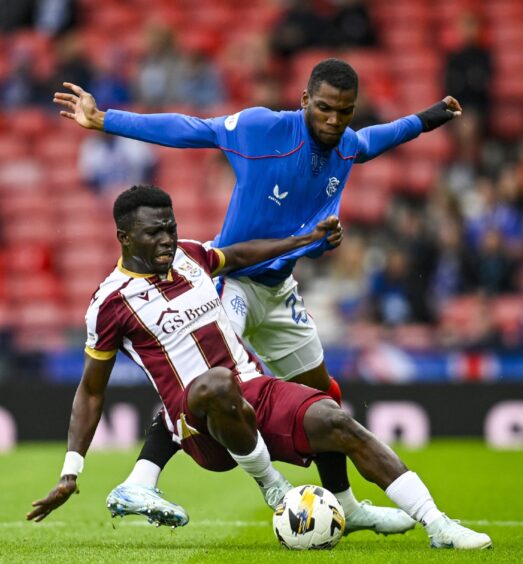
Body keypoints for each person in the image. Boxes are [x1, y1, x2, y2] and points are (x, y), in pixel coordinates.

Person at [52, 58, 463, 535]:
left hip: (281, 286)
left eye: (344, 113)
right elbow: (190, 129)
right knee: (208, 378)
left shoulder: (347, 145)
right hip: (234, 281)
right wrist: (105, 119)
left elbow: (381, 137)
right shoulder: (260, 128)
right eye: (325, 109)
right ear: (305, 100)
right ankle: (142, 478)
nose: (334, 121)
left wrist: (431, 117)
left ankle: (346, 505)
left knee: (324, 394)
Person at [27, 185, 492, 550]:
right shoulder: (109, 303)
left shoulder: (189, 255)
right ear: (124, 238)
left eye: (170, 227)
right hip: (198, 423)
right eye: (154, 233)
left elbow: (241, 255)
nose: (167, 239)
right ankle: (274, 489)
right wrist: (72, 470)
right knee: (214, 383)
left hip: (255, 388)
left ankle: (437, 523)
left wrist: (303, 241)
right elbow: (91, 391)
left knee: (336, 418)